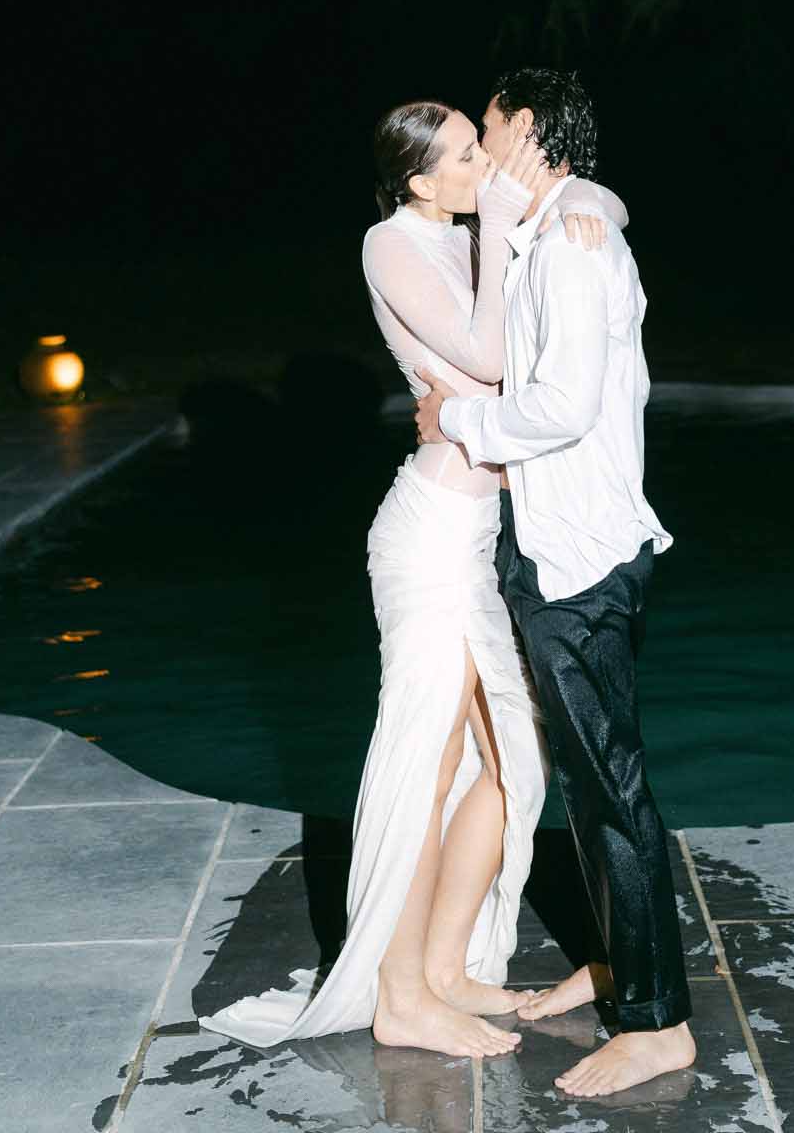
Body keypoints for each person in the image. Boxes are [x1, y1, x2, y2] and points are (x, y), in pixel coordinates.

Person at [201, 97, 629, 1060]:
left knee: (512, 754)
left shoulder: (476, 226)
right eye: (468, 157)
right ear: (417, 181)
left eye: (483, 149)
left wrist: (581, 209)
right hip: (429, 534)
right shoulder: (389, 242)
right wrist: (503, 234)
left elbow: (576, 202)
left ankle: (441, 967)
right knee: (425, 761)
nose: (487, 166)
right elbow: (483, 358)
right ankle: (399, 994)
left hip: (479, 535)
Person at [414, 67, 695, 1100]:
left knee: (611, 781)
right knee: (586, 777)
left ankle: (659, 1021)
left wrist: (458, 422)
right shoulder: (557, 225)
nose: (481, 148)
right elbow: (577, 208)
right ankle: (622, 964)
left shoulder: (579, 249)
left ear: (528, 129)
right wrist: (577, 197)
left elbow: (563, 406)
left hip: (581, 555)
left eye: (490, 129)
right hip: (556, 546)